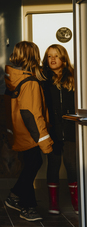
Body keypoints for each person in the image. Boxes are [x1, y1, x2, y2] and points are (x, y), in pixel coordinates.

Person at [4, 41, 54, 221]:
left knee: (31, 165)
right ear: (34, 56)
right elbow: (32, 115)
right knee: (33, 165)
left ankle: (15, 196)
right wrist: (44, 141)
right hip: (30, 134)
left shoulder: (13, 78)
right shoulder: (30, 82)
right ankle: (27, 207)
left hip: (19, 133)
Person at [42, 44, 78, 215]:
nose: (53, 59)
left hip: (71, 130)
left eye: (56, 56)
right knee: (53, 165)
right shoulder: (44, 79)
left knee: (71, 165)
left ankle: (76, 202)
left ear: (63, 58)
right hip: (52, 130)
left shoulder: (74, 77)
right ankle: (53, 203)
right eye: (49, 56)